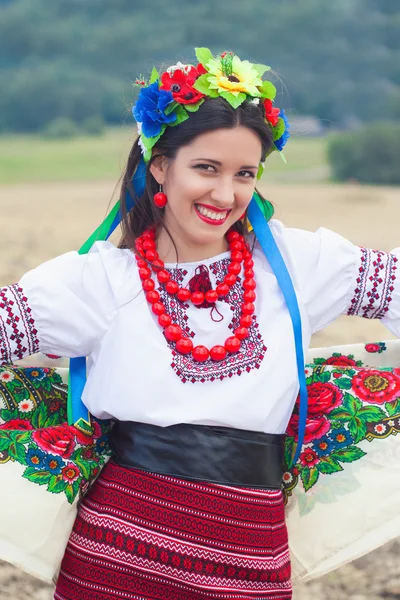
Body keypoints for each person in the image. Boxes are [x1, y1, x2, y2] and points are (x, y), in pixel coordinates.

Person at [1, 47, 400, 599]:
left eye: (244, 174)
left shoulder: (298, 266)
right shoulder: (100, 282)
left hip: (251, 559)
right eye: (206, 168)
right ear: (160, 165)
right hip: (118, 558)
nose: (225, 194)